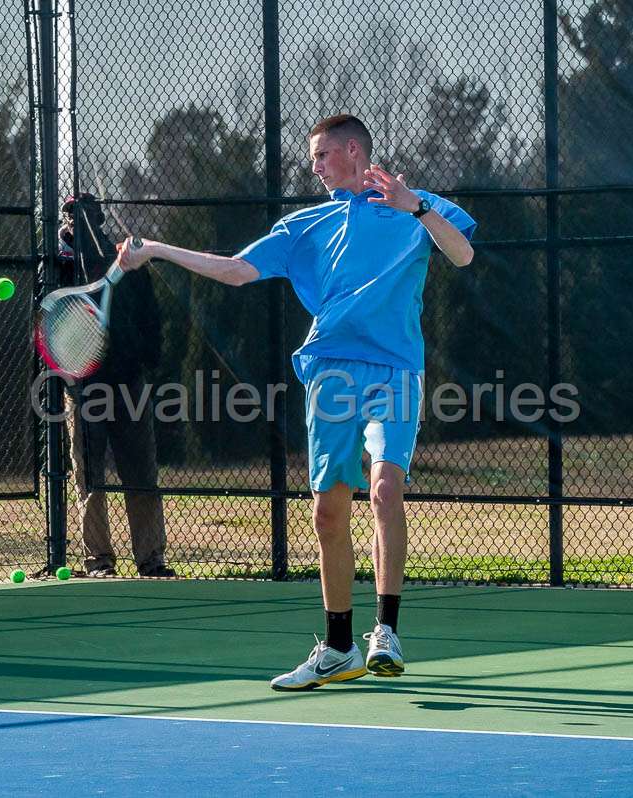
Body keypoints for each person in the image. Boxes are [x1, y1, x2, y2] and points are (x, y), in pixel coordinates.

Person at [118, 115, 476, 688]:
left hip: (395, 371)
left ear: (354, 150)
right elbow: (235, 271)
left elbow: (461, 255)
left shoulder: (415, 207)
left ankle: (386, 631)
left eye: (323, 155)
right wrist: (158, 249)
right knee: (328, 510)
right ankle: (338, 649)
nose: (314, 167)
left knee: (386, 487)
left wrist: (417, 207)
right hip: (330, 372)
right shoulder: (306, 226)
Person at [57, 193, 176, 578]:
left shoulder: (128, 261)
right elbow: (46, 324)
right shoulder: (59, 266)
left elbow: (150, 314)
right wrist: (69, 378)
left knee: (141, 473)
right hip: (83, 387)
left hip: (128, 382)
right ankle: (99, 561)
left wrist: (148, 361)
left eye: (90, 215)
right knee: (88, 477)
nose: (84, 223)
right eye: (76, 217)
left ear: (101, 219)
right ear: (67, 224)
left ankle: (151, 559)